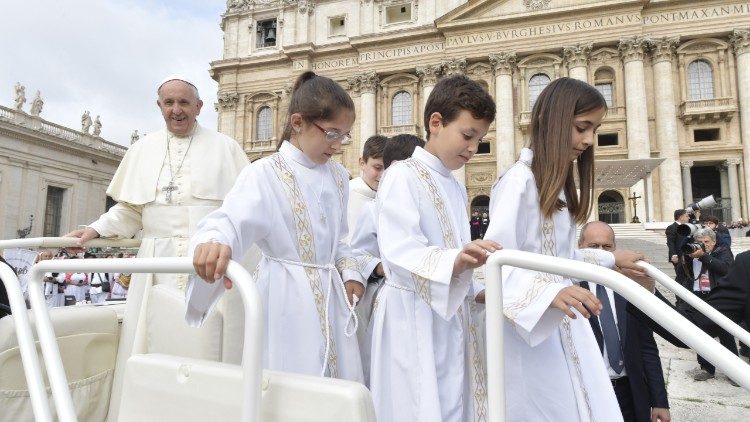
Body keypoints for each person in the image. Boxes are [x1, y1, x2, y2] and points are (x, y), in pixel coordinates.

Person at [65, 74, 249, 417]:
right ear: (159, 106)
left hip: (210, 261)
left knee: (213, 346)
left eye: (184, 103)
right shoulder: (143, 149)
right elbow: (131, 212)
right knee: (153, 342)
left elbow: (242, 209)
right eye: (169, 103)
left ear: (199, 107)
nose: (176, 110)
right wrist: (94, 229)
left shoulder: (226, 148)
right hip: (157, 265)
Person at [483, 77, 646, 421]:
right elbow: (495, 263)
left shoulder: (555, 186)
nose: (588, 140)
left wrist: (609, 257)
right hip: (529, 331)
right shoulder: (518, 182)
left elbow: (560, 259)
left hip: (561, 322)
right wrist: (545, 294)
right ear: (553, 121)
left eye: (594, 130)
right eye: (581, 128)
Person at [188, 71, 365, 382]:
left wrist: (350, 273)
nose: (338, 145)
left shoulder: (338, 176)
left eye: (344, 135)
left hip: (331, 295)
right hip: (285, 295)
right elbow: (230, 219)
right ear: (298, 123)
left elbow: (341, 240)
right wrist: (215, 241)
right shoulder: (265, 173)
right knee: (290, 377)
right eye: (332, 133)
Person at [368, 75, 499, 421]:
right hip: (410, 313)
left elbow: (454, 248)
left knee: (452, 398)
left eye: (480, 139)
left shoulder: (455, 186)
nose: (473, 148)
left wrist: (477, 286)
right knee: (416, 402)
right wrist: (455, 260)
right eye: (468, 135)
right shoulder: (402, 174)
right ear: (436, 123)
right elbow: (399, 248)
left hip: (450, 311)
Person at [349, 133, 425, 385]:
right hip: (377, 296)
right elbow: (353, 253)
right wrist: (381, 267)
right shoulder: (357, 199)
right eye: (377, 168)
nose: (381, 176)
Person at [578, 221, 670, 422]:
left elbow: (647, 347)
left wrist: (660, 401)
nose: (601, 253)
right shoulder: (570, 287)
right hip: (587, 394)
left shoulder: (628, 288)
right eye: (594, 247)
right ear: (579, 248)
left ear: (615, 249)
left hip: (629, 393)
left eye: (607, 247)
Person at [679, 227, 739, 383]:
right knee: (700, 333)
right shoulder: (691, 252)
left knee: (725, 333)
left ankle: (734, 372)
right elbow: (683, 273)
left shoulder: (722, 251)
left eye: (706, 242)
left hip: (716, 295)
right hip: (697, 296)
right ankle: (706, 368)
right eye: (699, 242)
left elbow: (726, 269)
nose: (703, 245)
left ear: (713, 241)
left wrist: (704, 256)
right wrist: (683, 258)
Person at [346, 135, 386, 243]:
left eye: (388, 169)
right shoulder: (345, 194)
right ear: (362, 163)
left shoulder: (391, 197)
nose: (383, 175)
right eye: (378, 168)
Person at [665, 209, 690, 287]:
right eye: (687, 216)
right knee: (681, 277)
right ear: (681, 217)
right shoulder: (672, 227)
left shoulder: (687, 227)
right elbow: (670, 242)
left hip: (687, 256)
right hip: (678, 257)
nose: (689, 218)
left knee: (687, 277)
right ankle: (679, 296)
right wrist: (674, 255)